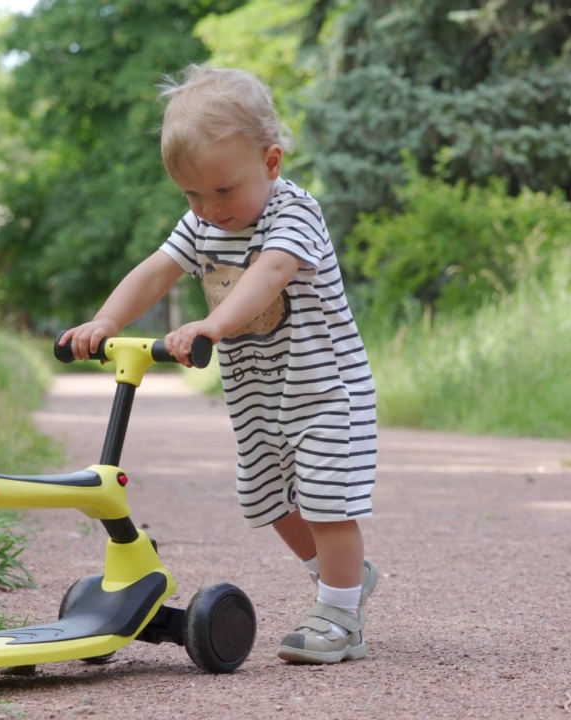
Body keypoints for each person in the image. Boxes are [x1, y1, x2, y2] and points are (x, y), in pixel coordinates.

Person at [57, 64, 379, 665]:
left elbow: (271, 273)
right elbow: (157, 268)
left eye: (223, 191)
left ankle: (340, 611)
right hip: (257, 396)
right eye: (192, 194)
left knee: (326, 499)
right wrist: (107, 321)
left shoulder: (294, 213)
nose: (209, 209)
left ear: (271, 162)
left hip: (327, 390)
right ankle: (347, 576)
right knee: (263, 498)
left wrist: (213, 324)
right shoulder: (203, 224)